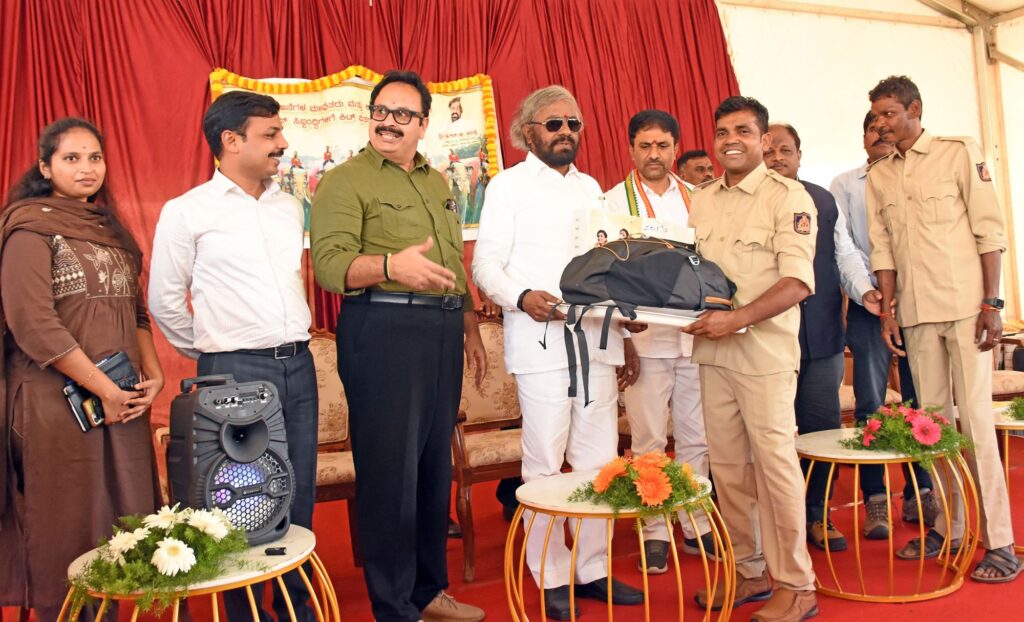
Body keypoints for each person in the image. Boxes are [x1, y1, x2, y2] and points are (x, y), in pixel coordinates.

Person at [310, 70, 487, 622]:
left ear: (423, 125)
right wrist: (390, 266)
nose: (389, 122)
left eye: (403, 114)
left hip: (442, 330)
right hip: (384, 330)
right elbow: (329, 267)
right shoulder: (343, 181)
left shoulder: (437, 182)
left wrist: (470, 326)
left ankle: (428, 593)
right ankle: (394, 607)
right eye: (381, 111)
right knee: (391, 474)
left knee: (434, 469)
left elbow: (452, 262)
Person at [473, 85, 644, 621]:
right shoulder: (507, 186)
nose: (566, 132)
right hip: (541, 343)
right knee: (545, 465)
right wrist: (521, 296)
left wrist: (627, 315)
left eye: (574, 123)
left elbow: (608, 266)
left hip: (597, 341)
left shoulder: (593, 189)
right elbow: (485, 265)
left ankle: (592, 568)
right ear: (528, 132)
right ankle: (549, 573)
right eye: (554, 124)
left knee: (599, 462)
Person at [148, 91, 320, 621]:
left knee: (296, 491)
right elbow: (164, 300)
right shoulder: (187, 211)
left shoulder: (289, 206)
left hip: (299, 363)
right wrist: (214, 352)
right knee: (238, 500)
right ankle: (245, 613)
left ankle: (296, 608)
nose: (282, 143)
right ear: (231, 140)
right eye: (270, 134)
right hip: (233, 371)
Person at [0, 118, 163, 620]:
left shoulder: (110, 231)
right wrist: (103, 388)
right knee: (67, 523)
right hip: (53, 404)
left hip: (122, 400)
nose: (87, 168)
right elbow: (33, 325)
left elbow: (135, 313)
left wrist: (153, 374)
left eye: (95, 157)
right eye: (71, 158)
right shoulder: (29, 229)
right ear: (45, 167)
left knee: (123, 519)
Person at [865, 75, 1021, 582]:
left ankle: (1001, 542)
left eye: (889, 114)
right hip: (915, 314)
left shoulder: (957, 152)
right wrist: (888, 313)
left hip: (966, 308)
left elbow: (989, 231)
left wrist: (992, 303)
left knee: (975, 423)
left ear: (915, 109)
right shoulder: (879, 174)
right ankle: (949, 528)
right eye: (877, 116)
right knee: (931, 427)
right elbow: (883, 249)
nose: (881, 124)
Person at [683, 96, 819, 621]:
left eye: (742, 131)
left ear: (763, 140)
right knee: (729, 471)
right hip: (713, 353)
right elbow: (691, 277)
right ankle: (750, 570)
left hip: (764, 355)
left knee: (775, 469)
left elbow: (798, 282)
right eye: (722, 132)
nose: (730, 140)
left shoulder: (788, 197)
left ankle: (798, 585)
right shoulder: (702, 200)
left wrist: (736, 319)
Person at [603, 109, 713, 573]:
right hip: (644, 338)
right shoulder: (612, 202)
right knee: (648, 438)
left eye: (663, 146)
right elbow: (605, 273)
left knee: (696, 436)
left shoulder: (701, 199)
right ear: (631, 148)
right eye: (645, 146)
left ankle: (695, 522)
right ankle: (654, 529)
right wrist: (621, 338)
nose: (654, 154)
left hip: (694, 334)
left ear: (675, 148)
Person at [830, 112, 937, 539]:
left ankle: (920, 491)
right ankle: (875, 498)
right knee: (871, 402)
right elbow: (845, 248)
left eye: (885, 125)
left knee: (919, 401)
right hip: (869, 304)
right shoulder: (844, 184)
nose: (880, 133)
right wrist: (870, 292)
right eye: (872, 128)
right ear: (863, 138)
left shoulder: (919, 176)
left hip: (920, 304)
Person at [764, 123, 846, 552]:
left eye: (786, 150)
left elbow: (840, 258)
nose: (777, 158)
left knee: (822, 431)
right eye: (769, 151)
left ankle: (818, 514)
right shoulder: (750, 202)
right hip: (767, 338)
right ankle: (775, 523)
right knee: (770, 436)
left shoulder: (823, 200)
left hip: (822, 335)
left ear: (799, 155)